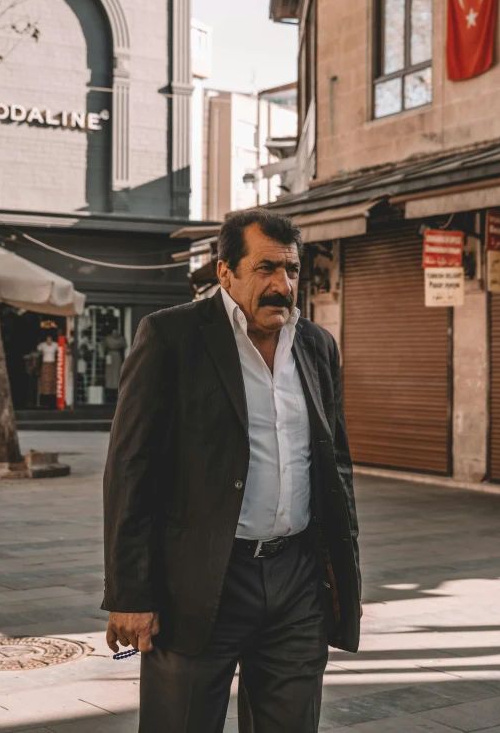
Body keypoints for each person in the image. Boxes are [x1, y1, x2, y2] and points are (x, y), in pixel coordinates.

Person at [102, 210, 362, 733]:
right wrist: (131, 593)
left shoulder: (316, 345)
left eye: (290, 270)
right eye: (265, 268)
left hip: (296, 582)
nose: (281, 285)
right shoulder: (171, 337)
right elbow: (131, 469)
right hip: (200, 580)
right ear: (225, 272)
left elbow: (334, 463)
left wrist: (340, 568)